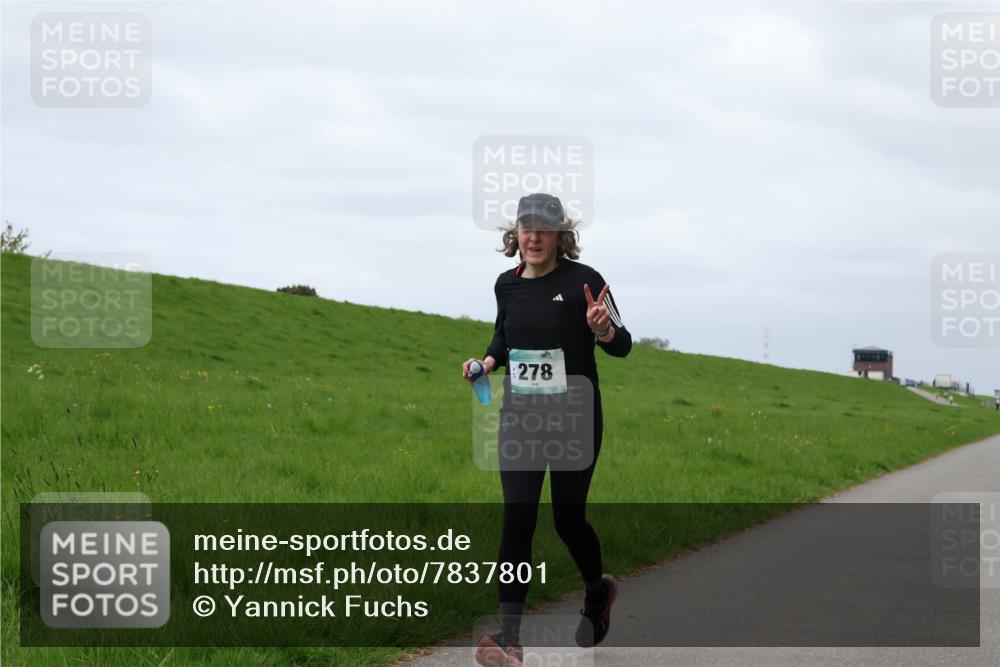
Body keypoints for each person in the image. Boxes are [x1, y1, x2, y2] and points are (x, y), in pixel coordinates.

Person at [462, 193, 632, 665]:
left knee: (566, 519)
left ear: (562, 235)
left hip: (575, 416)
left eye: (543, 229)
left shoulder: (586, 282)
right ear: (514, 234)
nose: (533, 237)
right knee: (517, 517)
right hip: (521, 419)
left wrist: (602, 329)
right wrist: (487, 361)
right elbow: (504, 335)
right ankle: (509, 638)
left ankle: (598, 592)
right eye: (525, 228)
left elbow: (623, 346)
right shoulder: (506, 284)